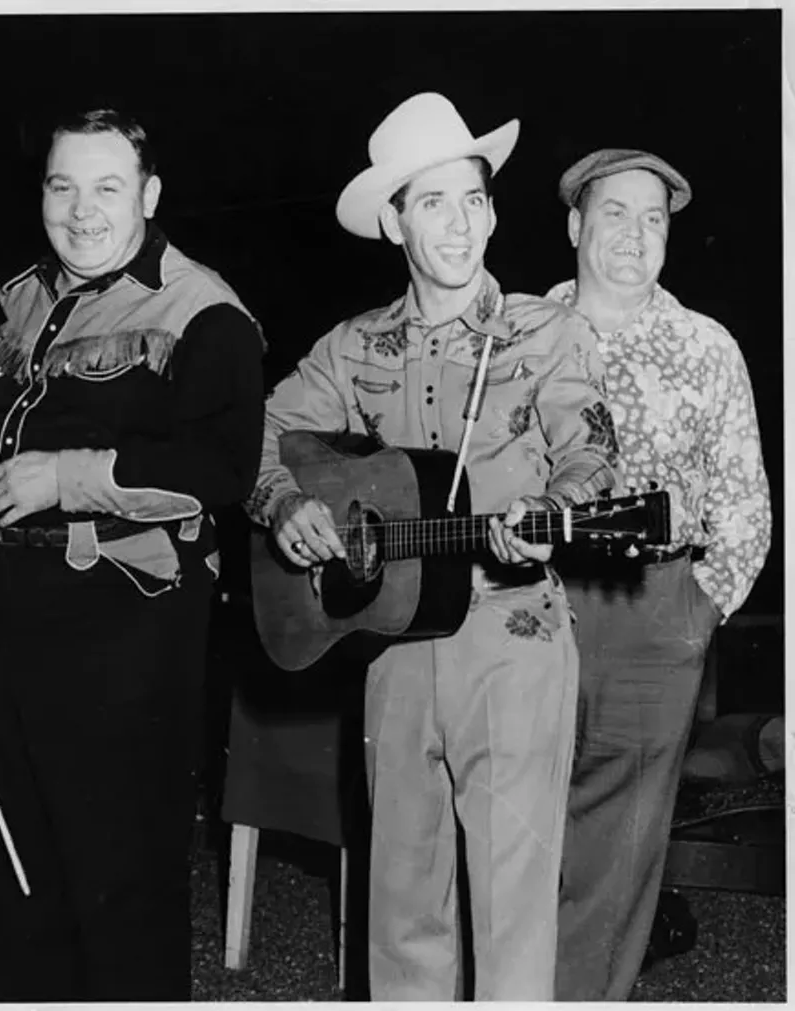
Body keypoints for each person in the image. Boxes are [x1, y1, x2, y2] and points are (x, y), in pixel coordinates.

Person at [246, 92, 621, 1001]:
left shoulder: (548, 331)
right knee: (402, 905)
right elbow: (260, 431)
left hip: (513, 635)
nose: (461, 224)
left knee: (512, 910)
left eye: (475, 199)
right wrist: (285, 500)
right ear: (394, 220)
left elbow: (596, 456)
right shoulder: (351, 347)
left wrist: (552, 509)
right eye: (434, 202)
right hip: (393, 645)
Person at [0, 107, 265, 1001]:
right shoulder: (17, 298)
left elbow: (219, 468)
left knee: (117, 877)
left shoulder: (204, 310)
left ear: (149, 193)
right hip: (7, 624)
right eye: (63, 186)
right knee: (8, 869)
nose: (83, 209)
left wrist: (68, 475)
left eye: (107, 187)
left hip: (125, 638)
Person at [548, 148, 772, 1000]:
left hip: (654, 611)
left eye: (654, 219)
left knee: (622, 848)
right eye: (615, 213)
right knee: (519, 828)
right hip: (525, 600)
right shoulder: (520, 329)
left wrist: (696, 613)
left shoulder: (705, 346)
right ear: (575, 225)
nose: (634, 236)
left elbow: (745, 499)